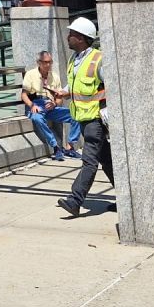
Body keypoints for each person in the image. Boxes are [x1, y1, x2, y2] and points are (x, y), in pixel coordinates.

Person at [57, 17, 115, 217]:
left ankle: (75, 200)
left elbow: (113, 86)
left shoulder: (98, 59)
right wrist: (63, 92)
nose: (68, 37)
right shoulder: (74, 59)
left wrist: (107, 111)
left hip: (95, 120)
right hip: (82, 118)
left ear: (81, 38)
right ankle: (129, 200)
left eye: (71, 34)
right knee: (107, 160)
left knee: (89, 161)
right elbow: (76, 84)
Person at [21, 50, 81, 160]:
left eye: (50, 62)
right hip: (36, 103)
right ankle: (55, 147)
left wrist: (54, 103)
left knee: (76, 115)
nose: (48, 64)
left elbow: (59, 98)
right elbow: (24, 95)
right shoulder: (30, 74)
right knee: (37, 119)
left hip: (50, 105)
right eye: (45, 62)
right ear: (39, 62)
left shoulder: (55, 76)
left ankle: (69, 147)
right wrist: (32, 105)